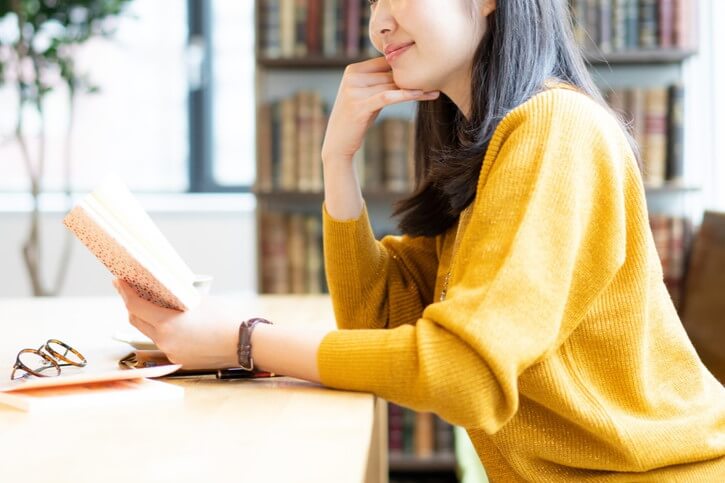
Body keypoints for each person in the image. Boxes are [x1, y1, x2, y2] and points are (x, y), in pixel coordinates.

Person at [114, 0, 725, 480]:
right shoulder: (489, 143)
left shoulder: (555, 129)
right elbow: (374, 320)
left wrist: (243, 341)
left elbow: (462, 373)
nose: (380, 20)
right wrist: (336, 160)